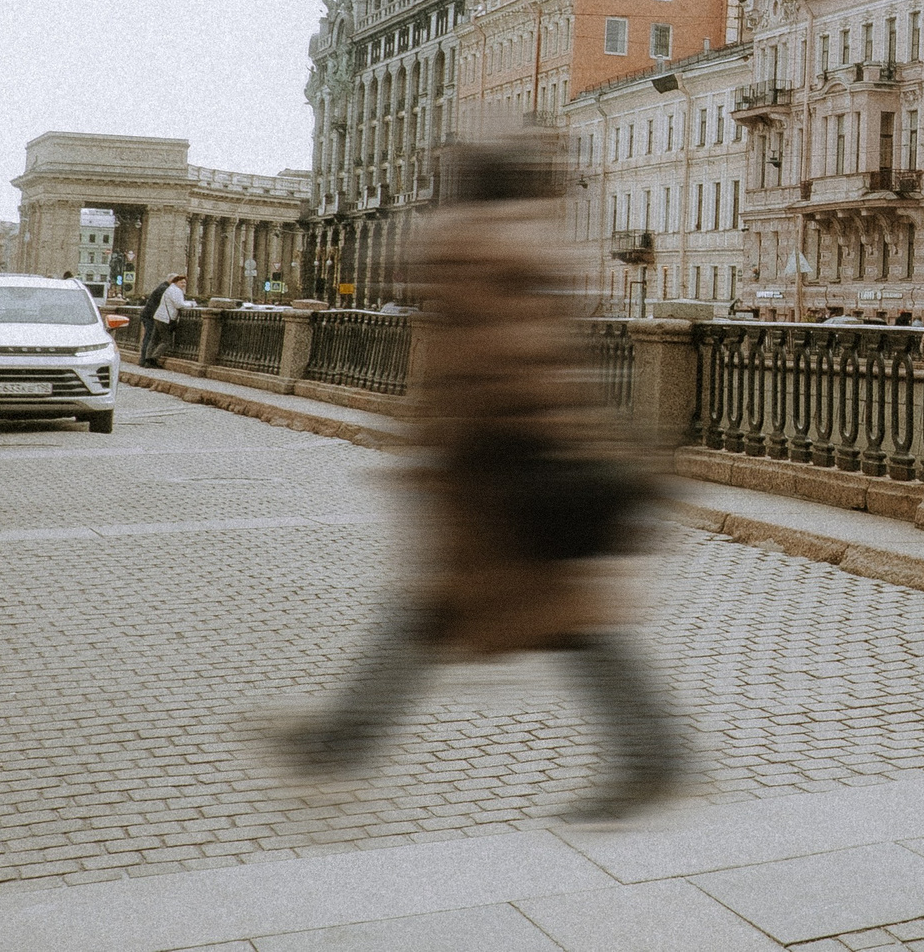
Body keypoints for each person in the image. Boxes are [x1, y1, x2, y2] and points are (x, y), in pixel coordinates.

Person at [282, 134, 684, 821]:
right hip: (505, 470)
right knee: (515, 616)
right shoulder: (517, 249)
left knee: (513, 616)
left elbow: (505, 363)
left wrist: (451, 444)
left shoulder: (479, 253)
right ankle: (342, 739)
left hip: (503, 474)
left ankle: (654, 756)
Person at [139, 272, 188, 367]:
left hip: (157, 316)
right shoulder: (175, 290)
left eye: (185, 283)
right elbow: (179, 304)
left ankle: (146, 361)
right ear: (175, 282)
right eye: (182, 282)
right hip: (164, 319)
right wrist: (191, 304)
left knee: (153, 340)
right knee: (166, 341)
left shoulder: (169, 289)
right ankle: (153, 360)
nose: (184, 284)